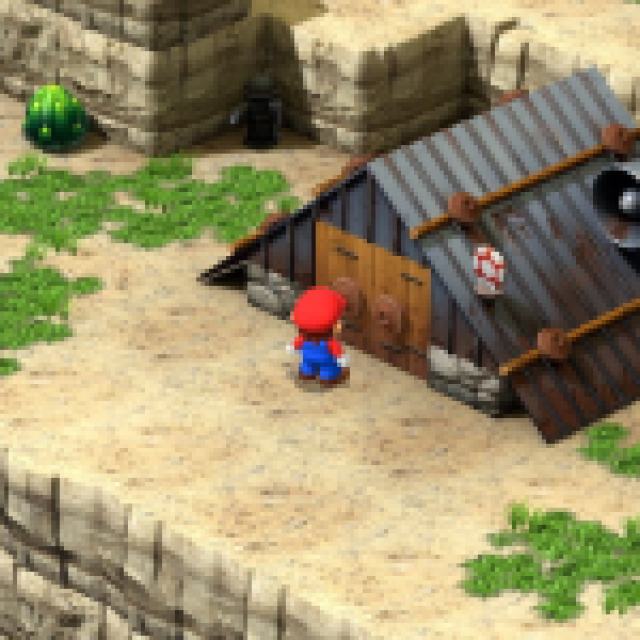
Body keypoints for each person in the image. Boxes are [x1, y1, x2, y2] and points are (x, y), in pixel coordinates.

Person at [286, 287, 350, 386]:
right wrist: (342, 359)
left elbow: (296, 344)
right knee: (329, 369)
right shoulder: (330, 342)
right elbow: (338, 352)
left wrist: (292, 347)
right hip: (326, 361)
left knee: (307, 366)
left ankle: (307, 373)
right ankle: (327, 378)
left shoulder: (304, 338)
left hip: (308, 358)